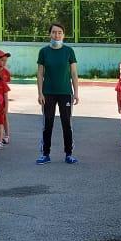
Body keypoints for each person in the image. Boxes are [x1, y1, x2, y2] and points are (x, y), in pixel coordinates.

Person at [36, 22, 79, 165]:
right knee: (47, 124)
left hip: (65, 93)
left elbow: (73, 73)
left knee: (67, 124)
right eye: (54, 32)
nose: (57, 35)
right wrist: (40, 93)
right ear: (50, 34)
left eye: (60, 32)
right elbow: (40, 73)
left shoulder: (69, 51)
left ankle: (69, 154)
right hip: (48, 93)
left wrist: (76, 93)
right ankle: (45, 154)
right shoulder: (43, 52)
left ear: (63, 35)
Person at [0, 50, 12, 144]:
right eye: (2, 60)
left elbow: (5, 89)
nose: (4, 63)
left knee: (4, 117)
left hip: (1, 102)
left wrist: (5, 104)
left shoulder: (6, 72)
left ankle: (7, 135)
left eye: (5, 61)